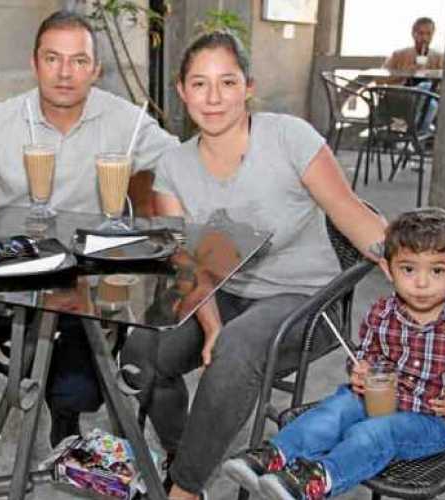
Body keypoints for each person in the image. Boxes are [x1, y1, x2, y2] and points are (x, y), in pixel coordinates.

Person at [119, 32, 388, 500]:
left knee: (237, 348)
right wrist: (210, 325)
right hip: (221, 289)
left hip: (306, 299)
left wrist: (420, 271)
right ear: (182, 92)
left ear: (248, 87)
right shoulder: (173, 167)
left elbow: (353, 216)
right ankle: (185, 454)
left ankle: (183, 489)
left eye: (227, 82)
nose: (214, 97)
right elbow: (189, 262)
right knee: (143, 348)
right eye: (200, 84)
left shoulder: (289, 137)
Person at [0, 10, 179, 445]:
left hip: (89, 275)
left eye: (79, 61)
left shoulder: (123, 119)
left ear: (96, 70)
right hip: (14, 267)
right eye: (52, 59)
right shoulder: (3, 119)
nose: (65, 73)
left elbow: (182, 165)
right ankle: (39, 366)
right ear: (34, 64)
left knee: (79, 385)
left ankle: (57, 395)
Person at [223, 208, 445, 500]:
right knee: (334, 411)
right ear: (389, 270)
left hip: (432, 421)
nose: (422, 282)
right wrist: (362, 372)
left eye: (437, 270)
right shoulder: (381, 313)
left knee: (372, 434)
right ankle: (275, 454)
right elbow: (368, 354)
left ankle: (318, 479)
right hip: (381, 398)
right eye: (408, 269)